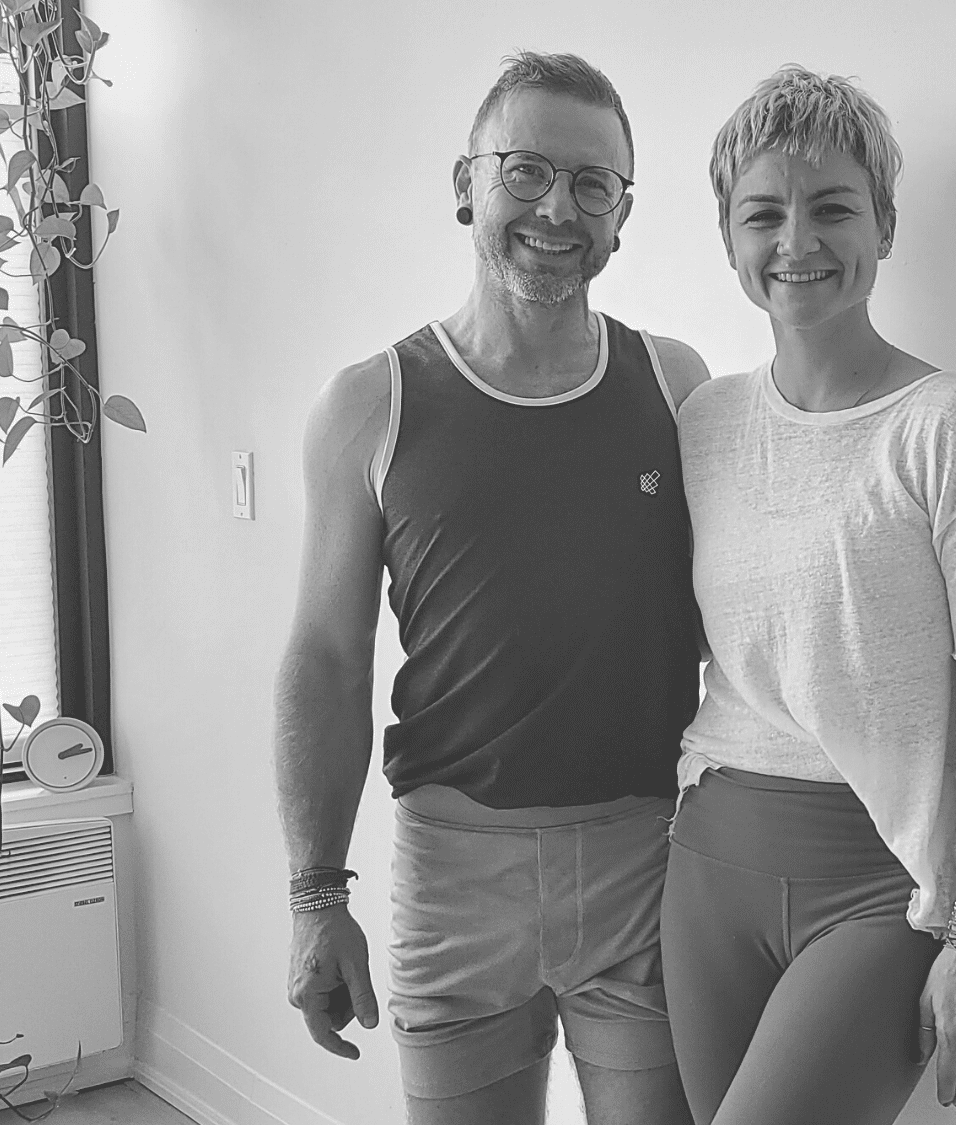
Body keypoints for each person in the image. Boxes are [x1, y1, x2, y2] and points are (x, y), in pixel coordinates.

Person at [273, 52, 706, 1125]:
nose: (557, 208)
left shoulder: (677, 387)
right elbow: (326, 662)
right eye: (525, 171)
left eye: (592, 184)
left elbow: (747, 625)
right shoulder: (369, 406)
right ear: (464, 184)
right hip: (452, 876)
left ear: (622, 217)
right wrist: (315, 897)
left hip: (645, 868)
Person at [659, 65, 956, 1125]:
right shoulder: (701, 424)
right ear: (730, 239)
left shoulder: (952, 427)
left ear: (882, 225)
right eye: (763, 214)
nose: (798, 240)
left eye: (832, 207)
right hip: (709, 859)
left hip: (882, 883)